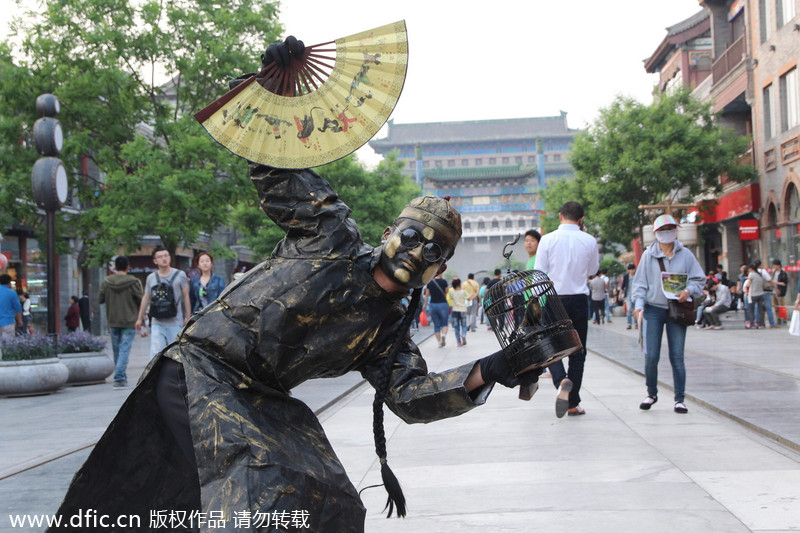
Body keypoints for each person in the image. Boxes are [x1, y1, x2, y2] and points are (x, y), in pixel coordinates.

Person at [49, 161, 537, 532]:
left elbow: (409, 394)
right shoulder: (329, 236)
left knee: (333, 501)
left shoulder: (386, 329)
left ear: (441, 271)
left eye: (434, 251)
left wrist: (491, 368)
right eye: (412, 236)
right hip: (200, 373)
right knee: (264, 489)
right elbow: (273, 168)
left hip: (263, 401)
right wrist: (278, 90)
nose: (417, 251)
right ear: (389, 234)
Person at [632, 214, 705, 414]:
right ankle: (651, 393)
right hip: (653, 309)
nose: (667, 233)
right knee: (651, 355)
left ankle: (680, 399)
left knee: (677, 356)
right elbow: (639, 284)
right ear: (655, 233)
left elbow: (699, 280)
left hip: (678, 310)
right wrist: (638, 306)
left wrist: (688, 291)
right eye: (663, 230)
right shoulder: (648, 255)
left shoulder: (686, 255)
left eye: (671, 229)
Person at [535, 201, 600, 417]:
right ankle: (572, 403)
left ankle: (560, 380)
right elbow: (592, 270)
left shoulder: (547, 239)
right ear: (581, 220)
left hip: (554, 299)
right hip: (579, 299)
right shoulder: (589, 240)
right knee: (577, 352)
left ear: (560, 216)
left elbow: (539, 273)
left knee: (553, 347)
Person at [135, 246, 191, 358]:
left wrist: (188, 316)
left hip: (176, 320)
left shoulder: (180, 275)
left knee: (176, 354)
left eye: (166, 255)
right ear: (155, 261)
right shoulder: (151, 277)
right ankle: (156, 375)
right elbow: (146, 297)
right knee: (155, 353)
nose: (164, 258)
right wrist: (139, 318)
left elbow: (186, 295)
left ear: (170, 257)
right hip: (157, 321)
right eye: (160, 257)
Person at [99, 255, 143, 389]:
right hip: (129, 320)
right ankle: (119, 378)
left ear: (115, 267)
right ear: (128, 267)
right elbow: (141, 300)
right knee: (124, 349)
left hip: (113, 319)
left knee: (117, 350)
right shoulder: (134, 282)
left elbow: (100, 299)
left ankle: (121, 377)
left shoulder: (107, 282)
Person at [425, 271, 450, 347]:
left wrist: (425, 305)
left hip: (433, 304)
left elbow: (427, 295)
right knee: (444, 323)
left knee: (436, 325)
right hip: (443, 304)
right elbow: (447, 291)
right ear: (441, 274)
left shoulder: (430, 283)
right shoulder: (444, 281)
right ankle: (444, 335)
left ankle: (439, 343)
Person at [743, 263, 767, 329]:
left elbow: (748, 284)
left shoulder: (751, 275)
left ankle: (752, 324)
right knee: (760, 310)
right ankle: (760, 324)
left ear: (751, 269)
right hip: (761, 293)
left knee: (751, 310)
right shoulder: (759, 275)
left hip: (753, 294)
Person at [755, 259, 777, 327]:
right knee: (768, 307)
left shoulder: (753, 272)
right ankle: (772, 323)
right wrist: (776, 288)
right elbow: (769, 280)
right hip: (765, 291)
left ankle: (758, 323)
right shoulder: (763, 271)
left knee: (757, 307)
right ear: (760, 265)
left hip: (756, 292)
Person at [0, 274, 22, 339]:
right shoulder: (12, 293)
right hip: (8, 322)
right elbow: (18, 308)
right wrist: (20, 320)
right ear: (9, 282)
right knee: (8, 345)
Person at [449, 277, 469, 346]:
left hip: (455, 310)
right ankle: (463, 334)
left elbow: (451, 298)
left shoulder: (452, 292)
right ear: (460, 283)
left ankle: (458, 342)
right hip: (463, 310)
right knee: (463, 324)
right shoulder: (463, 291)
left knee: (456, 327)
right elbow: (468, 298)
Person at [771, 259, 788, 325]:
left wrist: (775, 282)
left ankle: (784, 320)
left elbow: (784, 283)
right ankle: (778, 320)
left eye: (775, 265)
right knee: (776, 307)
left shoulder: (783, 274)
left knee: (781, 307)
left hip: (780, 292)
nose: (774, 267)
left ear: (779, 265)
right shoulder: (774, 273)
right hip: (774, 291)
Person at [619, 263, 636, 329]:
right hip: (628, 295)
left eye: (633, 269)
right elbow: (623, 286)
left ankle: (636, 323)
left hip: (636, 295)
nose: (631, 271)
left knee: (635, 309)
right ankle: (629, 323)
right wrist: (620, 294)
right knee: (629, 309)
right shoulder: (626, 276)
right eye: (630, 269)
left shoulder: (637, 275)